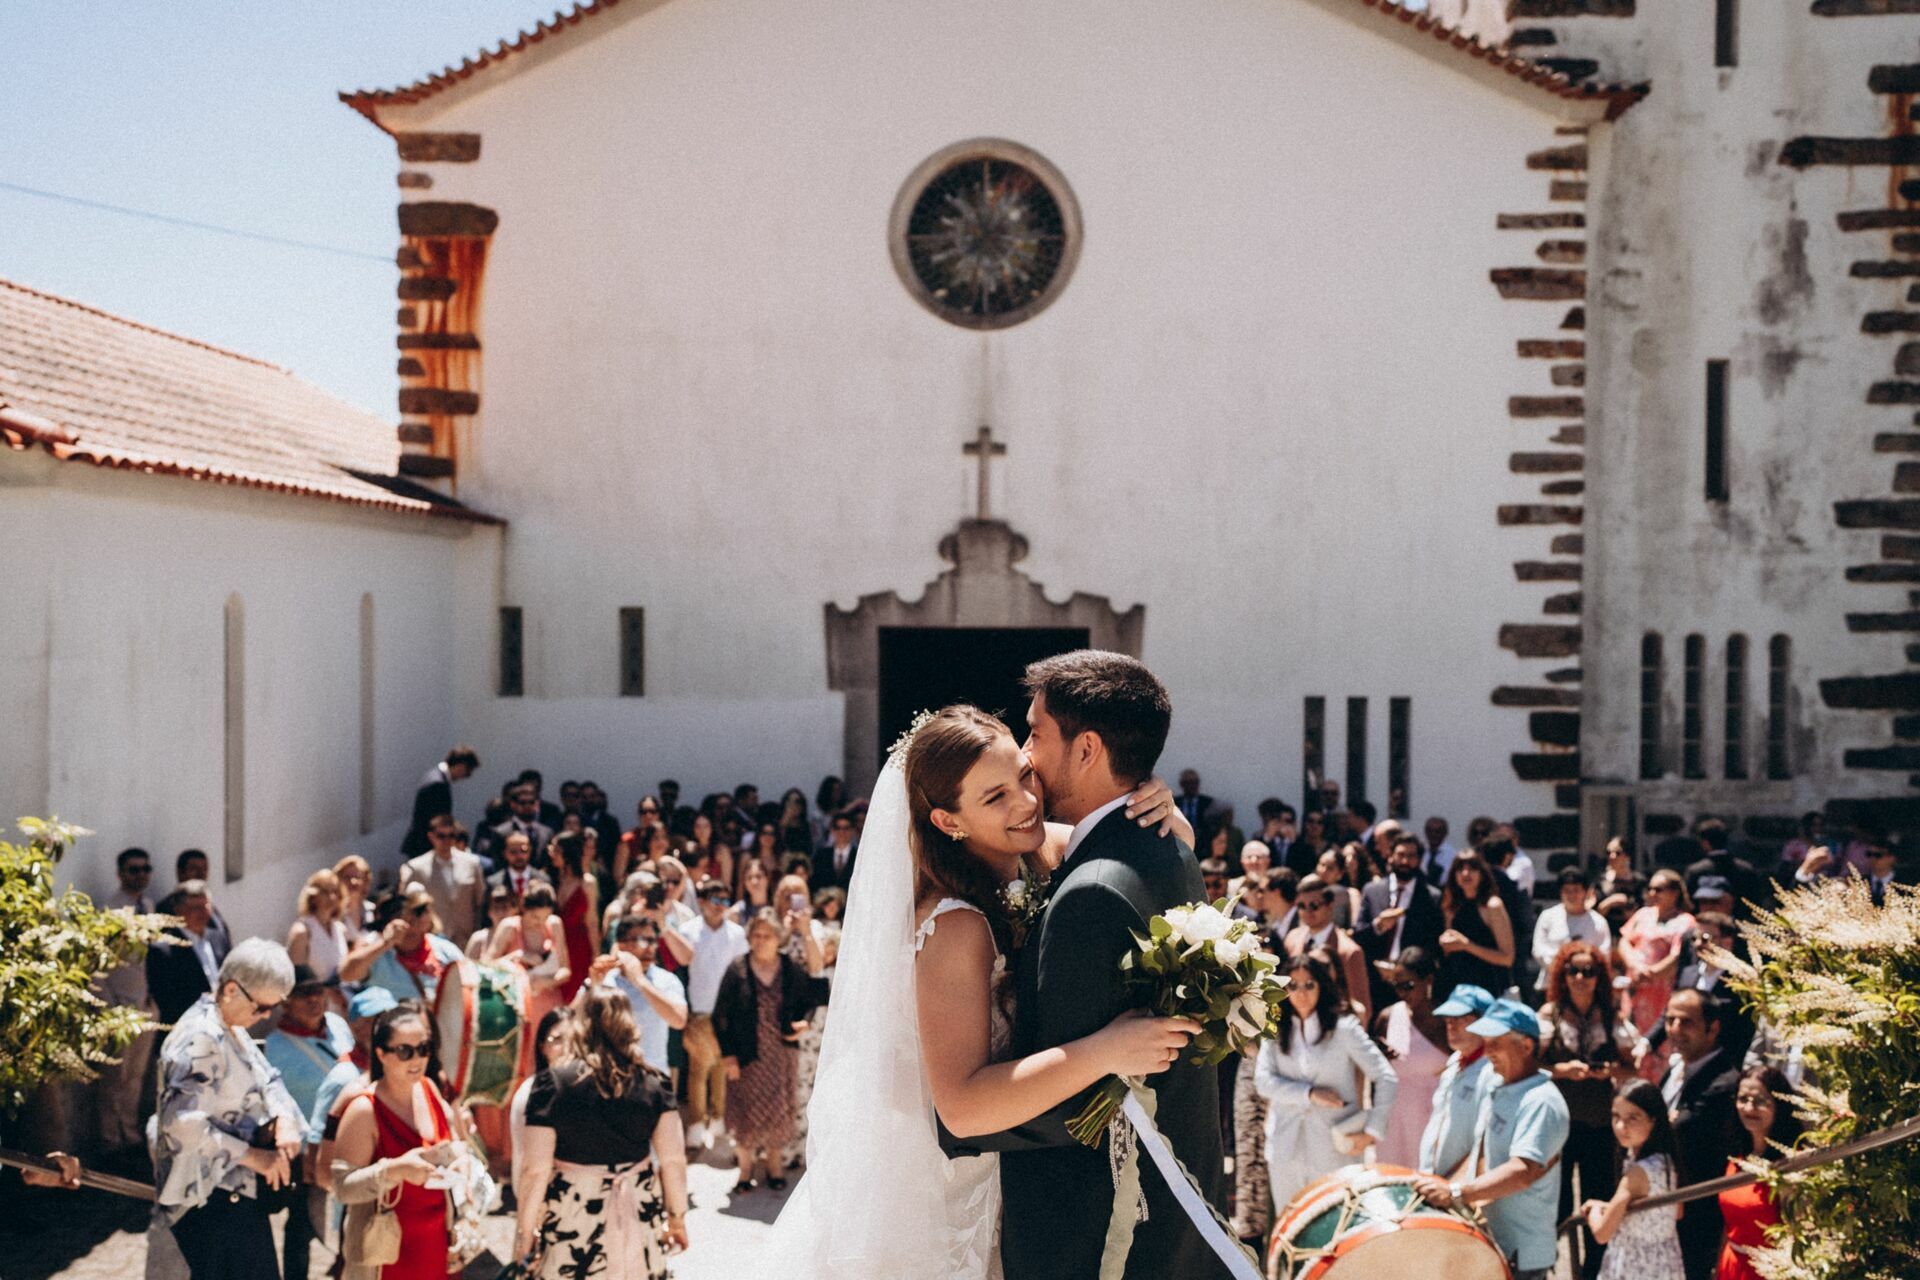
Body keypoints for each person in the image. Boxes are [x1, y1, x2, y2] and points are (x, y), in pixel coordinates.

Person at [764, 687, 1201, 1279]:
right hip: (946, 1191)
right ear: (947, 820)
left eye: (1023, 774)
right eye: (995, 796)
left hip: (1018, 1167)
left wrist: (1156, 801)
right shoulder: (955, 928)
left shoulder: (1036, 848)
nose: (1025, 801)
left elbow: (1137, 846)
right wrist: (1106, 1050)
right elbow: (963, 1108)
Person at [151, 938, 307, 1279]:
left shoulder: (229, 1025)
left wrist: (284, 1120)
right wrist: (253, 1156)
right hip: (211, 1205)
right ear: (232, 990)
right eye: (261, 1008)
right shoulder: (201, 1038)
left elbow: (268, 1078)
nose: (266, 1016)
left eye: (273, 1008)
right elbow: (181, 1125)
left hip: (235, 1199)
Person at [514, 988, 690, 1279]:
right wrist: (677, 1219)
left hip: (574, 1214)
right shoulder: (654, 1082)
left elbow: (535, 1169)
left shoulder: (552, 1085)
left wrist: (526, 1231)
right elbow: (673, 1160)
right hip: (637, 1206)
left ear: (580, 1026)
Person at [1415, 999, 1570, 1280]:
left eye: (1496, 1044)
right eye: (1485, 1043)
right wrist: (1444, 1186)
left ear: (1526, 1046)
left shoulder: (1541, 1101)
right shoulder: (1498, 1087)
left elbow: (1523, 1172)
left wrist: (1457, 1195)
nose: (1488, 1053)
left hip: (1522, 1253)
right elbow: (1480, 1152)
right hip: (1493, 1241)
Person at [330, 1005, 467, 1280]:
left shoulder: (430, 1089)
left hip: (435, 1248)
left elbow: (457, 1155)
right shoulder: (364, 1110)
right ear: (381, 1054)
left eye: (423, 1048)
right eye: (404, 1051)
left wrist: (464, 1219)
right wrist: (395, 1171)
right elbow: (342, 1188)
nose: (416, 1059)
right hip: (385, 1258)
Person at [1256, 950, 1399, 1209]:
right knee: (1292, 1227)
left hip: (1335, 1150)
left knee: (1336, 1227)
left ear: (1322, 986)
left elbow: (1385, 1076)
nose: (1301, 993)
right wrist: (1308, 1093)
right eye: (1293, 985)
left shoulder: (1343, 1028)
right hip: (1286, 1148)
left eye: (1309, 985)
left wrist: (1372, 1130)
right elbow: (1263, 1082)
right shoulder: (1275, 1029)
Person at [1540, 941, 1637, 1280]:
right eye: (1573, 971)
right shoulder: (1548, 1014)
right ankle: (1548, 1269)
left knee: (1599, 1197)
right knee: (1558, 1201)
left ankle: (1595, 1272)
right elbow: (1534, 1065)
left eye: (1588, 971)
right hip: (1559, 1124)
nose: (1580, 978)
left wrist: (1609, 1071)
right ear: (1562, 975)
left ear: (1600, 977)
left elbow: (1632, 1069)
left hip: (1599, 1124)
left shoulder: (1612, 1017)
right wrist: (1561, 1070)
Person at [714, 909, 824, 1191]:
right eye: (757, 935)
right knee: (744, 1113)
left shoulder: (789, 969)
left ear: (779, 938)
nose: (761, 941)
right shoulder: (737, 969)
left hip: (780, 1054)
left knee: (777, 1113)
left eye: (768, 935)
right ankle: (745, 1170)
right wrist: (728, 1056)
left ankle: (774, 1167)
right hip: (746, 1056)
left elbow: (813, 997)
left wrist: (805, 1023)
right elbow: (720, 1016)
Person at [262, 966, 353, 1280]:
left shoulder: (340, 1027)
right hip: (305, 1150)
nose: (314, 999)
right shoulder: (275, 1045)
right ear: (285, 1001)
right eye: (303, 993)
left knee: (350, 1214)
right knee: (301, 1223)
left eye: (318, 991)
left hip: (348, 1140)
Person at [1659, 989, 1745, 1280]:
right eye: (1670, 1020)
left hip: (1697, 1215)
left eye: (1686, 1022)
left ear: (1713, 1028)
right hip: (1667, 1209)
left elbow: (1681, 1132)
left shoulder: (1724, 1082)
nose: (1674, 1029)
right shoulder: (1675, 1069)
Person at [664, 878, 749, 1149]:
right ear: (701, 902)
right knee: (699, 1069)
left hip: (729, 1013)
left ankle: (719, 1118)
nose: (720, 906)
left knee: (723, 1067)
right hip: (699, 1010)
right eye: (715, 900)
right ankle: (697, 1123)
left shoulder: (737, 933)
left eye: (725, 901)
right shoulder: (688, 931)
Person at [1584, 1080, 1685, 1280]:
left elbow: (1602, 1233)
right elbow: (1676, 1212)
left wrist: (1593, 1210)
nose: (1621, 1126)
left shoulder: (1638, 1173)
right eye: (1616, 1116)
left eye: (1633, 1118)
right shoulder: (1666, 1160)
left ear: (1653, 1120)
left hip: (1634, 1264)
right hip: (1664, 1260)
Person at [96, 847, 159, 1151]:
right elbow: (98, 966)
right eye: (134, 869)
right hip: (120, 1008)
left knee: (135, 1077)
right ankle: (111, 1140)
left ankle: (130, 1135)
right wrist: (110, 1008)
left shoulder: (147, 906)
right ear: (120, 873)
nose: (141, 875)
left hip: (145, 1005)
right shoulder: (111, 912)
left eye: (146, 869)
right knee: (114, 1080)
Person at [1717, 1066, 1801, 1280]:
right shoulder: (1737, 1156)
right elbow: (1729, 1227)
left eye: (1760, 1101)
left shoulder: (1791, 1165)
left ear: (1779, 1105)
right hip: (1731, 1266)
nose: (1749, 1108)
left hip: (1770, 1272)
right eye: (1743, 1099)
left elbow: (1799, 1232)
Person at [1374, 945, 1449, 1169]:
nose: (1402, 993)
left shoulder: (1447, 1022)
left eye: (1408, 985)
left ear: (1428, 980)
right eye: (1396, 986)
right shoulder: (1387, 1017)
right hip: (1393, 1120)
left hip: (1434, 1120)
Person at [1357, 832, 1445, 1010]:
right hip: (1375, 980)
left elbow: (1433, 945)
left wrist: (1402, 969)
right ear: (1390, 856)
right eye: (1401, 855)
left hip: (1411, 986)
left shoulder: (1432, 897)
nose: (1405, 861)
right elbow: (1358, 935)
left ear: (1419, 860)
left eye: (1411, 856)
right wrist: (1379, 925)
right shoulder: (1372, 891)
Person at [590, 915, 688, 1072]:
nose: (650, 947)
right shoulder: (605, 979)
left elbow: (679, 1020)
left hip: (653, 1076)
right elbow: (575, 1019)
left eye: (653, 941)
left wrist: (640, 981)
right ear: (621, 946)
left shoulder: (667, 980)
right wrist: (593, 985)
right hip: (611, 1075)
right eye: (643, 941)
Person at [340, 885, 466, 1005]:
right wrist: (384, 943)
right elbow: (346, 974)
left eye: (419, 914)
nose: (411, 925)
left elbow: (469, 983)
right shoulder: (379, 956)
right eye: (404, 918)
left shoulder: (446, 950)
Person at [1418, 984, 1494, 1177]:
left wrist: (1454, 1186)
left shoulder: (1492, 1073)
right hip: (1433, 1180)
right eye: (1448, 1019)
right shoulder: (1454, 1062)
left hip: (1459, 1187)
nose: (1450, 1025)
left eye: (1461, 1019)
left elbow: (1485, 1145)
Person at [486, 882, 574, 1044]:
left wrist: (546, 982)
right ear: (524, 909)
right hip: (517, 1003)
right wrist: (517, 956)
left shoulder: (554, 924)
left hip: (549, 1001)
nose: (540, 922)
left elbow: (566, 970)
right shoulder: (509, 927)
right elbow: (486, 964)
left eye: (545, 917)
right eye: (535, 917)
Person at [1283, 874, 1373, 1025]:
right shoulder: (1292, 939)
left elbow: (1363, 1009)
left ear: (1330, 905)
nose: (1307, 911)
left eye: (1314, 905)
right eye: (1301, 906)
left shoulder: (1349, 951)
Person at [1621, 871, 1698, 1036]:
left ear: (1675, 893)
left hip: (1663, 991)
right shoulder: (1643, 914)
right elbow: (1625, 941)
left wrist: (1650, 973)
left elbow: (1678, 956)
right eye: (1650, 889)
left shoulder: (1685, 921)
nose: (1652, 893)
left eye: (1659, 889)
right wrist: (1634, 966)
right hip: (1635, 986)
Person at [147, 879, 231, 1025]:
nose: (202, 913)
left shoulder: (218, 938)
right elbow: (167, 1001)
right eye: (195, 908)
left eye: (205, 906)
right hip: (188, 1028)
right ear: (179, 910)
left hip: (223, 1022)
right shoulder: (162, 949)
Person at [401, 814, 490, 949]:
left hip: (466, 938)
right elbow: (408, 906)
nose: (447, 841)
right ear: (431, 836)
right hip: (433, 939)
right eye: (441, 836)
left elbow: (480, 902)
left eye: (451, 836)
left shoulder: (472, 863)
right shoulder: (416, 867)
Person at [1438, 848, 1516, 999]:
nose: (1466, 874)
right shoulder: (1451, 905)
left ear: (1482, 873)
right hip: (1458, 987)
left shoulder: (1492, 905)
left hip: (1489, 986)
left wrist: (1467, 945)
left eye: (1472, 868)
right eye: (1460, 869)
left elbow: (1507, 958)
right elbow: (1449, 950)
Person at [1533, 867, 1612, 994]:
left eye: (1576, 890)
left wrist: (1580, 971)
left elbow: (1603, 956)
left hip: (1586, 990)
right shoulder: (1547, 917)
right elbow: (1539, 950)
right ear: (1560, 892)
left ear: (1585, 892)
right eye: (1567, 891)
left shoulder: (1599, 922)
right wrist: (1564, 970)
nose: (1571, 895)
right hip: (1550, 987)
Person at [402, 745, 481, 857]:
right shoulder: (438, 784)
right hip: (425, 846)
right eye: (468, 772)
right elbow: (436, 820)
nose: (466, 776)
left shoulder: (436, 777)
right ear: (460, 766)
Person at [286, 868, 352, 986]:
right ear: (313, 896)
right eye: (325, 892)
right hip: (316, 999)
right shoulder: (302, 931)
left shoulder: (340, 929)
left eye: (335, 892)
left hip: (344, 996)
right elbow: (297, 980)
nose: (332, 897)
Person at [811, 809, 859, 893]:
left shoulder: (859, 856)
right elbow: (815, 882)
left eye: (846, 828)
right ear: (832, 830)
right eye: (838, 828)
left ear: (852, 831)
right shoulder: (821, 855)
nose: (842, 832)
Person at [335, 855, 376, 944]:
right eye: (347, 877)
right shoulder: (334, 915)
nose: (353, 882)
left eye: (357, 877)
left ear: (365, 881)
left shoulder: (374, 910)